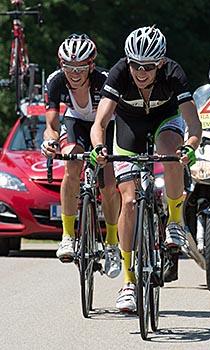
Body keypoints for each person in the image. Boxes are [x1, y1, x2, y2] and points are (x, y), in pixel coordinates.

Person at [90, 25, 202, 312]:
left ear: (160, 63)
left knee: (170, 151)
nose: (141, 71)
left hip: (165, 123)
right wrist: (99, 148)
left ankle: (175, 221)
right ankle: (128, 282)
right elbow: (100, 123)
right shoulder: (118, 73)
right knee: (128, 199)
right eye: (135, 65)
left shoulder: (174, 73)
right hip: (129, 128)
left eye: (148, 67)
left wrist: (190, 145)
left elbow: (193, 123)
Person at [41, 34, 121, 278]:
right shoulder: (55, 81)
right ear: (61, 65)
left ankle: (111, 243)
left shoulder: (105, 81)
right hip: (75, 121)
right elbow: (52, 125)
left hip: (105, 125)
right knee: (71, 163)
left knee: (107, 185)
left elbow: (107, 120)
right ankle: (67, 235)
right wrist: (49, 141)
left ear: (91, 66)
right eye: (68, 67)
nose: (74, 73)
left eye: (80, 67)